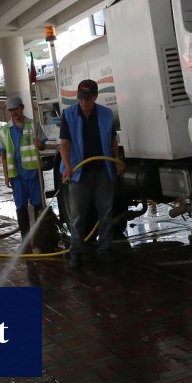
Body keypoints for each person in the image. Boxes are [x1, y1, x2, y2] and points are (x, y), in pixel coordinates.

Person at [59, 79, 123, 269]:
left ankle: (104, 250)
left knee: (106, 212)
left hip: (103, 170)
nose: (83, 103)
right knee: (78, 214)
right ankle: (76, 253)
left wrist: (117, 161)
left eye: (87, 99)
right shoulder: (68, 114)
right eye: (81, 99)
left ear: (95, 97)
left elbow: (112, 139)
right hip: (79, 173)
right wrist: (68, 166)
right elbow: (64, 144)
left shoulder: (105, 114)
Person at [0, 94, 44, 251]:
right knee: (21, 207)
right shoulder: (5, 131)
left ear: (22, 107)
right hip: (17, 176)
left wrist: (40, 144)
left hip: (33, 175)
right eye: (10, 110)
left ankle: (40, 237)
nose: (13, 113)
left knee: (39, 205)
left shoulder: (33, 125)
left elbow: (43, 146)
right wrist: (6, 175)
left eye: (15, 109)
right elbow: (3, 156)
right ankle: (25, 242)